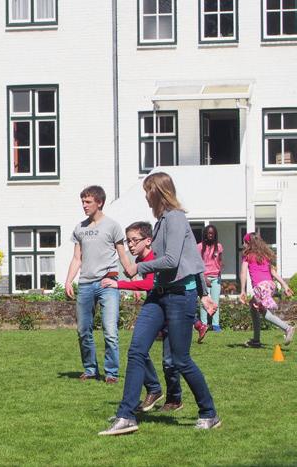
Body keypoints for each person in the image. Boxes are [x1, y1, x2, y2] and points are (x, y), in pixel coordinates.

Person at [100, 172, 220, 436]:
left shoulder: (175, 218)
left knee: (181, 359)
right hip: (159, 294)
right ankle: (126, 415)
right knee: (136, 350)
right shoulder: (162, 221)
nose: (145, 195)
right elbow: (192, 258)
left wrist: (138, 267)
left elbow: (172, 260)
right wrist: (204, 293)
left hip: (179, 297)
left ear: (157, 192)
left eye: (147, 190)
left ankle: (209, 413)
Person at [102, 222, 187, 413]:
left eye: (134, 240)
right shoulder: (142, 259)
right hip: (156, 310)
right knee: (138, 350)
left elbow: (150, 284)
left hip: (170, 310)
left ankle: (175, 399)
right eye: (128, 241)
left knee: (170, 361)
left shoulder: (154, 258)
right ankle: (154, 389)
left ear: (148, 241)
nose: (130, 245)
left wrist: (119, 285)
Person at [65, 185, 130, 383]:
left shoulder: (112, 226)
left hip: (107, 284)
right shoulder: (80, 228)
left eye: (88, 202)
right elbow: (77, 258)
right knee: (83, 330)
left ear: (99, 202)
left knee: (110, 331)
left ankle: (111, 372)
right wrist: (69, 280)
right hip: (85, 285)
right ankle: (90, 369)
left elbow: (123, 256)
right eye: (82, 202)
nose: (84, 205)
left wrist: (134, 281)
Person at [239, 232, 294, 348]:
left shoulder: (247, 255)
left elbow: (243, 273)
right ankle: (256, 340)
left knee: (264, 313)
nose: (243, 244)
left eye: (244, 242)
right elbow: (273, 272)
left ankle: (287, 328)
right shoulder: (263, 255)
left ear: (249, 243)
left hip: (261, 287)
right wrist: (285, 286)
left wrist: (242, 290)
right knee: (254, 307)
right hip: (270, 285)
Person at [198, 225, 224, 332]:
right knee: (204, 301)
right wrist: (204, 277)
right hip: (204, 277)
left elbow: (220, 261)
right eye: (208, 233)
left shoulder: (219, 246)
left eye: (212, 233)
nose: (210, 235)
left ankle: (215, 324)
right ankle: (204, 324)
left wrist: (220, 270)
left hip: (216, 278)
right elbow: (198, 264)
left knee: (215, 302)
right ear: (205, 234)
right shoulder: (199, 247)